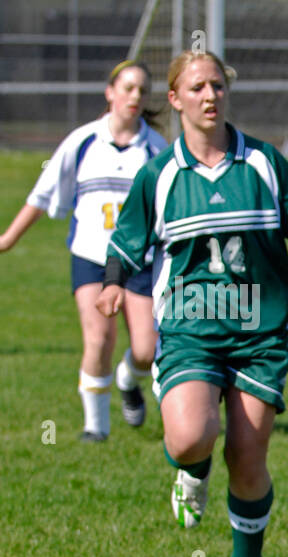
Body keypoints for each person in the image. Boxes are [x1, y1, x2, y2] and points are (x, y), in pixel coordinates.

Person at [97, 50, 288, 557]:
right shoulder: (160, 175)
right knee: (189, 438)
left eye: (218, 86)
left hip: (259, 332)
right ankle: (192, 471)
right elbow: (128, 239)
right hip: (189, 330)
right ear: (176, 99)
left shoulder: (263, 162)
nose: (211, 96)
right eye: (198, 88)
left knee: (248, 453)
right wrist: (114, 281)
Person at [0, 61, 168, 441]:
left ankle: (128, 381)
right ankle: (96, 428)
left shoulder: (156, 150)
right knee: (99, 339)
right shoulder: (83, 142)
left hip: (138, 262)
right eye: (127, 88)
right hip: (91, 257)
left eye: (142, 90)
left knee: (146, 349)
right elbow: (42, 196)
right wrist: (7, 239)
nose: (134, 97)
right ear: (110, 92)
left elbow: (172, 207)